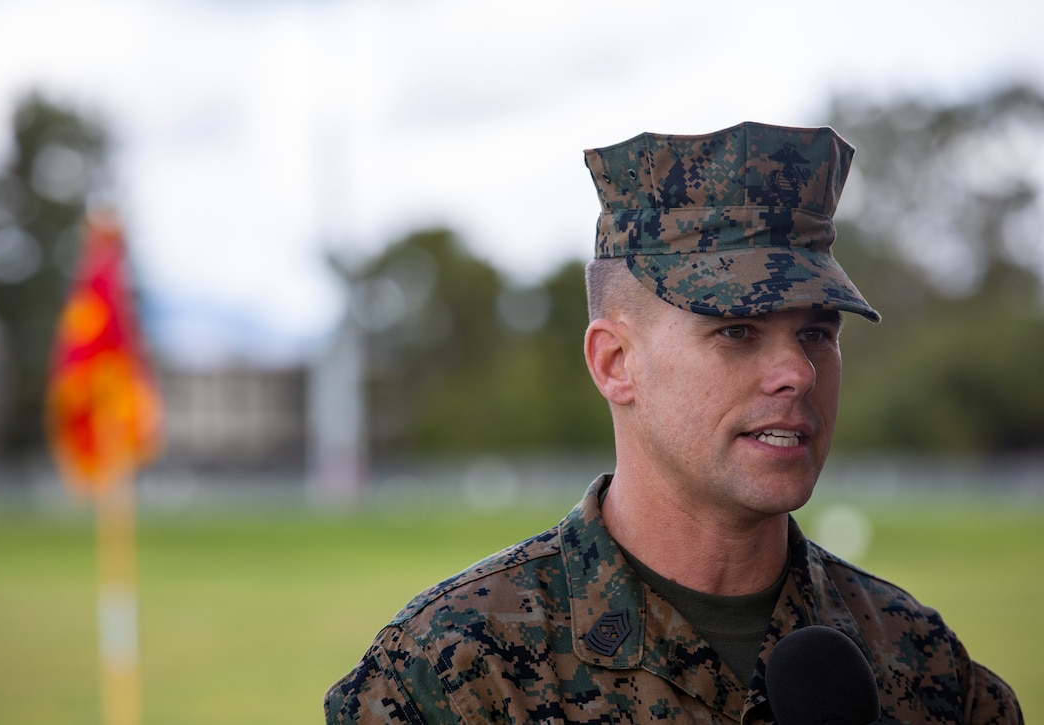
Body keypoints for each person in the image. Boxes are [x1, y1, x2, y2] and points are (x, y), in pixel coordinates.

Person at [324, 122, 1023, 723]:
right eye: (738, 331)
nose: (799, 373)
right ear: (615, 362)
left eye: (817, 332)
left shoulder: (924, 668)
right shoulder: (453, 676)